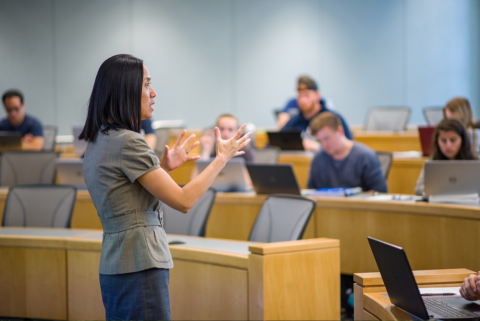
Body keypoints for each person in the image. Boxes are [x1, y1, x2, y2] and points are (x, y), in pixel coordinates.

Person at [79, 54, 251, 320]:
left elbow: (126, 195)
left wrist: (163, 167)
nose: (153, 92)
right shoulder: (130, 142)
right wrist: (221, 159)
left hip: (115, 263)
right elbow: (184, 201)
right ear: (126, 90)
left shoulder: (98, 140)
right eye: (147, 84)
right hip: (140, 263)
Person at [307, 112, 387, 192]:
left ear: (340, 131)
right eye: (320, 141)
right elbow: (311, 191)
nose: (324, 145)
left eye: (327, 138)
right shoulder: (318, 159)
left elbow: (379, 191)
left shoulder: (365, 156)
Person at [279, 76, 352, 151]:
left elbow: (347, 147)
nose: (303, 100)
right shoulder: (293, 123)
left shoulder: (333, 119)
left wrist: (319, 147)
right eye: (300, 96)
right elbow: (275, 145)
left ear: (317, 95)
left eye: (307, 95)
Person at [414, 118, 477, 196]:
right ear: (437, 141)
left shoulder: (475, 162)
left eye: (453, 140)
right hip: (439, 205)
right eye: (443, 140)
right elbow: (418, 188)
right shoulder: (432, 162)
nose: (448, 145)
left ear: (463, 140)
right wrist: (435, 191)